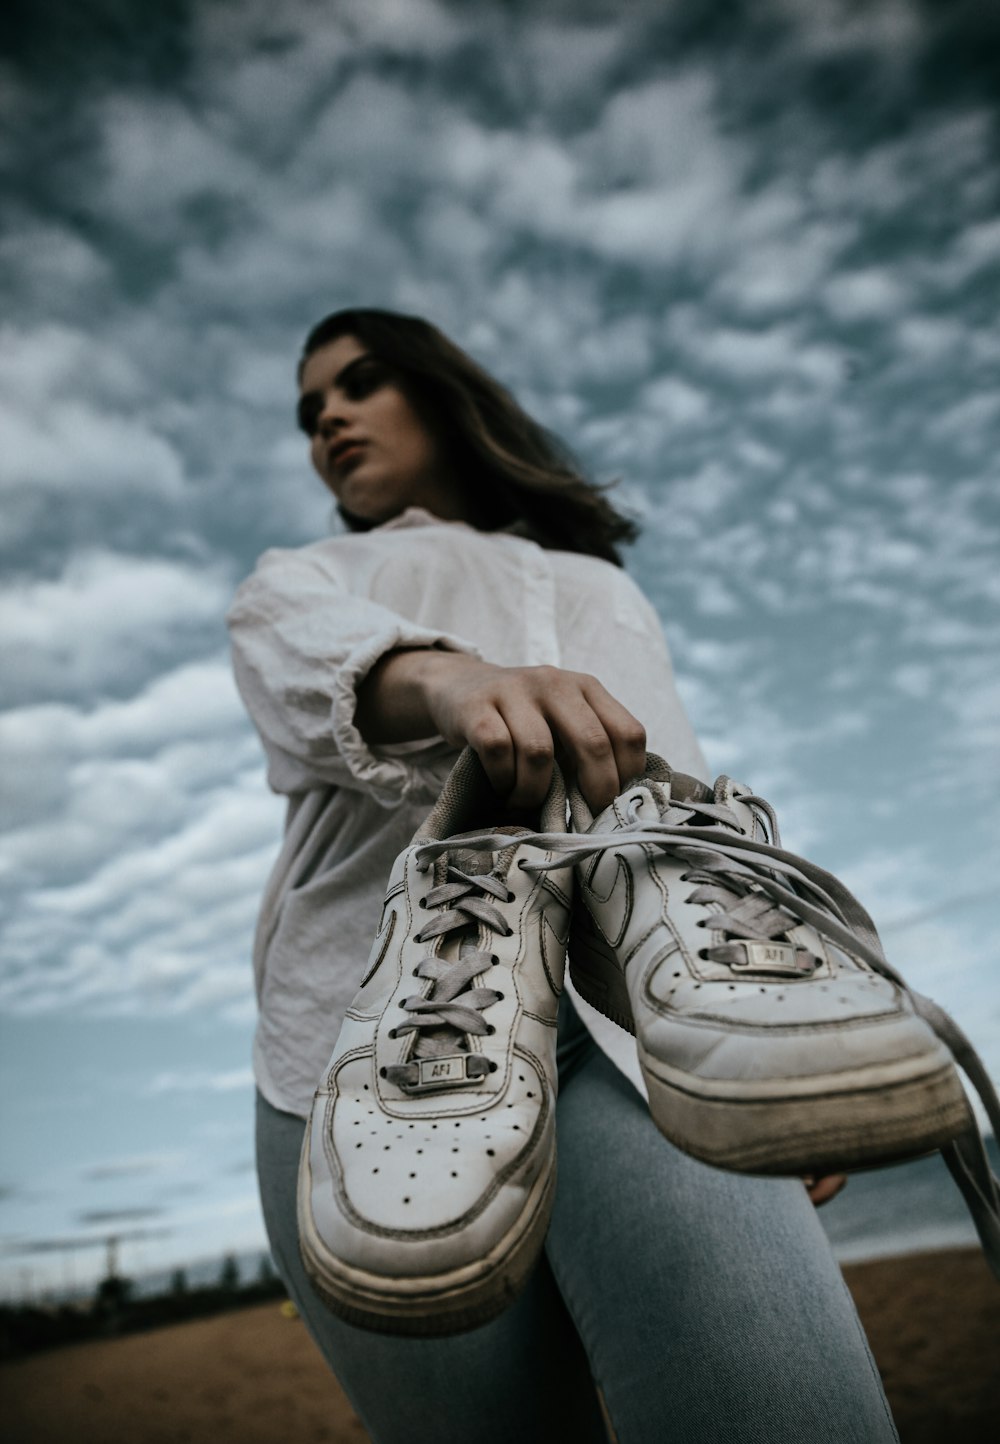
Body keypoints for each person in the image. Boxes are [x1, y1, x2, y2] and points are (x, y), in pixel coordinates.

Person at [227, 308, 899, 1443]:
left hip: (630, 1027)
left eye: (359, 382)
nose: (327, 419)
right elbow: (299, 666)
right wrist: (449, 683)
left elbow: (678, 812)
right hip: (364, 1047)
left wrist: (780, 1026)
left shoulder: (599, 586)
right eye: (308, 411)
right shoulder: (305, 574)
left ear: (444, 389)